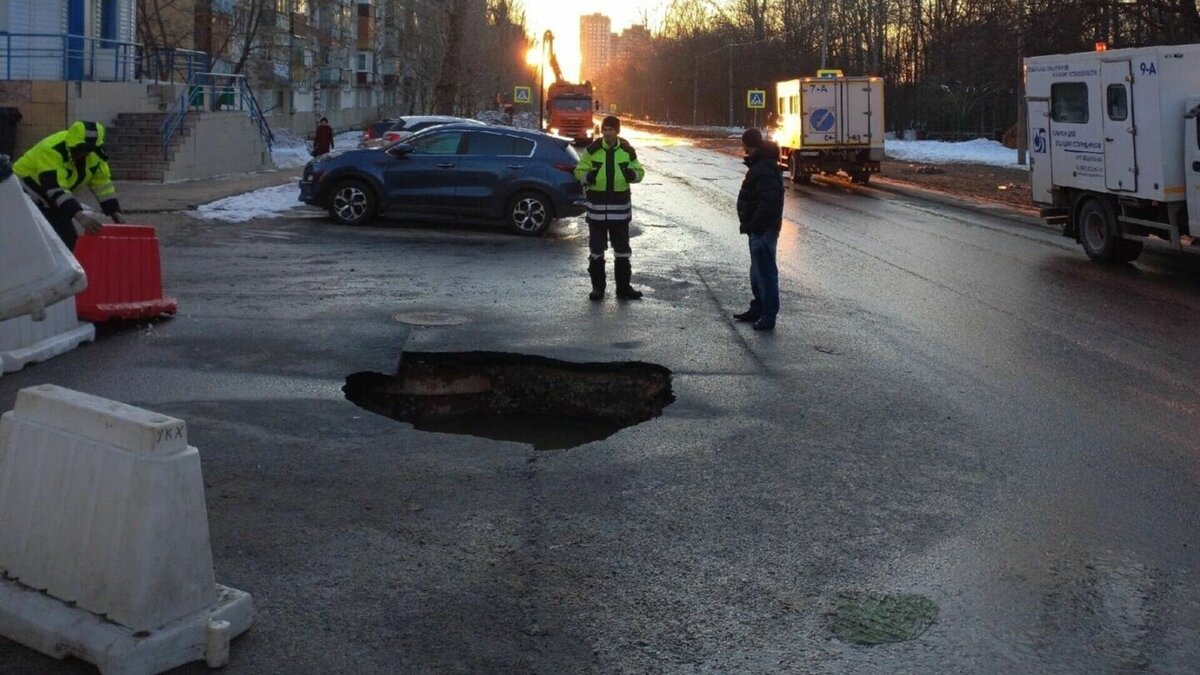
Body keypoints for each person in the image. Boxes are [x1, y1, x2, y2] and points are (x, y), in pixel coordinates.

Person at [14, 120, 123, 251]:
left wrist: (113, 210)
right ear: (71, 143)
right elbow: (54, 187)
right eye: (79, 148)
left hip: (51, 199)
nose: (82, 153)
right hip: (24, 192)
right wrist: (79, 215)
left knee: (68, 242)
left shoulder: (97, 155)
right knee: (32, 238)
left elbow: (102, 183)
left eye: (88, 149)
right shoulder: (52, 149)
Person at [574, 115, 646, 301]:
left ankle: (623, 289)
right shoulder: (592, 150)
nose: (608, 133)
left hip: (620, 211)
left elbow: (640, 172)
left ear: (617, 131)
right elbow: (579, 170)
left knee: (622, 251)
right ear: (602, 131)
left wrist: (632, 174)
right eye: (605, 129)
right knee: (596, 251)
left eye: (611, 130)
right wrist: (587, 177)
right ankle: (598, 289)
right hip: (596, 211)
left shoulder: (627, 150)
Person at [734, 128, 784, 331]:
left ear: (750, 145)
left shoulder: (764, 168)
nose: (743, 148)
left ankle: (768, 315)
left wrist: (754, 223)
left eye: (744, 144)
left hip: (763, 229)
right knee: (757, 272)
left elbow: (769, 201)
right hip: (757, 229)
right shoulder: (761, 165)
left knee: (765, 273)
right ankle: (759, 308)